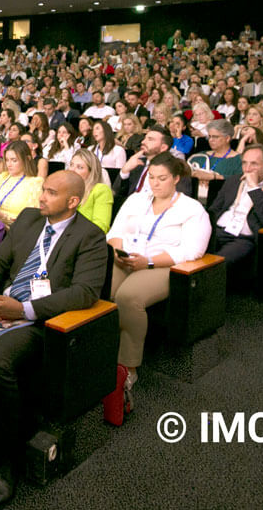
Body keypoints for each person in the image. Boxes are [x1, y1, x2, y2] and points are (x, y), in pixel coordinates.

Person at [0, 170, 107, 509]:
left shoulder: (89, 237)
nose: (40, 197)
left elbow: (85, 293)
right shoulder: (30, 219)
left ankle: (9, 459)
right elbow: (0, 259)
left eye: (49, 192)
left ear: (72, 202)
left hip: (41, 322)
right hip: (0, 304)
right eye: (42, 190)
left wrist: (25, 310)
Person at [107, 153, 211, 401]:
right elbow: (115, 231)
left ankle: (128, 367)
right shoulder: (136, 200)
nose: (154, 183)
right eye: (151, 177)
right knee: (100, 290)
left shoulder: (192, 209)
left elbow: (192, 250)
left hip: (162, 264)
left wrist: (149, 261)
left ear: (176, 178)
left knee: (128, 297)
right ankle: (100, 353)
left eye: (162, 178)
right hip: (127, 258)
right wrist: (119, 252)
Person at [206, 144, 263, 266]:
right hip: (218, 230)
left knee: (217, 263)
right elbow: (214, 209)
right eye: (244, 163)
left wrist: (254, 188)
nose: (247, 169)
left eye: (254, 164)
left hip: (243, 238)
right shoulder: (234, 180)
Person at [0, 141, 42, 225]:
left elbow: (31, 218)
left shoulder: (35, 183)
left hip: (14, 229)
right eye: (7, 160)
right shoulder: (2, 177)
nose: (9, 164)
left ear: (27, 159)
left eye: (14, 160)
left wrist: (2, 215)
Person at [68, 149, 113, 232]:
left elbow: (100, 227)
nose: (72, 170)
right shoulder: (66, 189)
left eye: (80, 167)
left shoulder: (101, 190)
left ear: (91, 172)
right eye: (71, 165)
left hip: (85, 241)